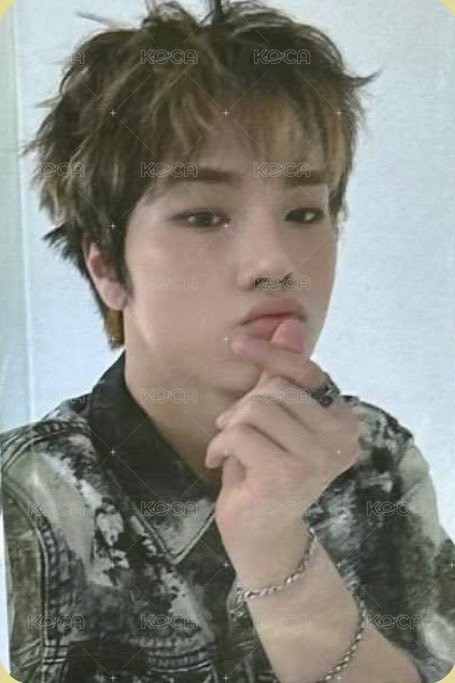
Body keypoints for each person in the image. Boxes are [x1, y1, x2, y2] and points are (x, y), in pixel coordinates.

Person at [1, 0, 454, 681]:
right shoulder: (27, 493)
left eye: (304, 212)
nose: (275, 262)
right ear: (106, 268)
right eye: (204, 216)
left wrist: (275, 546)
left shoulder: (376, 459)